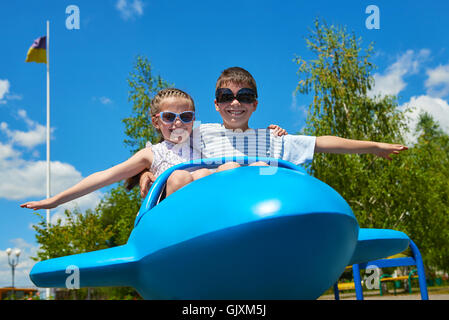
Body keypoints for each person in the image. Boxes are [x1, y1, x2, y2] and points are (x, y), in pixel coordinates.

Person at [137, 67, 408, 198]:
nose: (235, 103)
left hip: (253, 209)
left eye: (244, 97)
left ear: (254, 104)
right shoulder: (200, 132)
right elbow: (167, 144)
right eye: (226, 96)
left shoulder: (271, 139)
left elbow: (322, 143)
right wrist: (147, 172)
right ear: (216, 104)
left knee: (258, 167)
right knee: (200, 173)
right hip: (212, 209)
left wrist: (374, 146)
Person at [20, 88, 287, 210]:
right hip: (171, 218)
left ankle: (262, 220)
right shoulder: (153, 153)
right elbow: (104, 176)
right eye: (170, 117)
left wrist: (272, 133)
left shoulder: (204, 138)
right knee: (181, 176)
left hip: (212, 207)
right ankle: (190, 235)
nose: (178, 123)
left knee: (235, 166)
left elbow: (237, 128)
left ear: (195, 119)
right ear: (156, 121)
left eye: (187, 117)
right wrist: (54, 201)